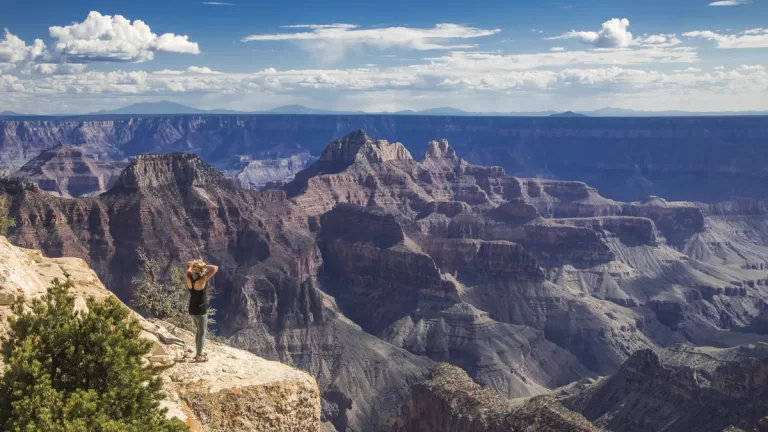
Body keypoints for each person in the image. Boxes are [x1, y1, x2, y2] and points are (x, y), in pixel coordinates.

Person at [185, 259, 218, 362]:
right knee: (202, 332)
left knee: (198, 332)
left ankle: (199, 351)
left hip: (192, 309)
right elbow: (215, 268)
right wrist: (205, 266)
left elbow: (188, 265)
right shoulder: (202, 279)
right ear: (201, 270)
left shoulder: (188, 277)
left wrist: (196, 266)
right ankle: (199, 355)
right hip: (200, 310)